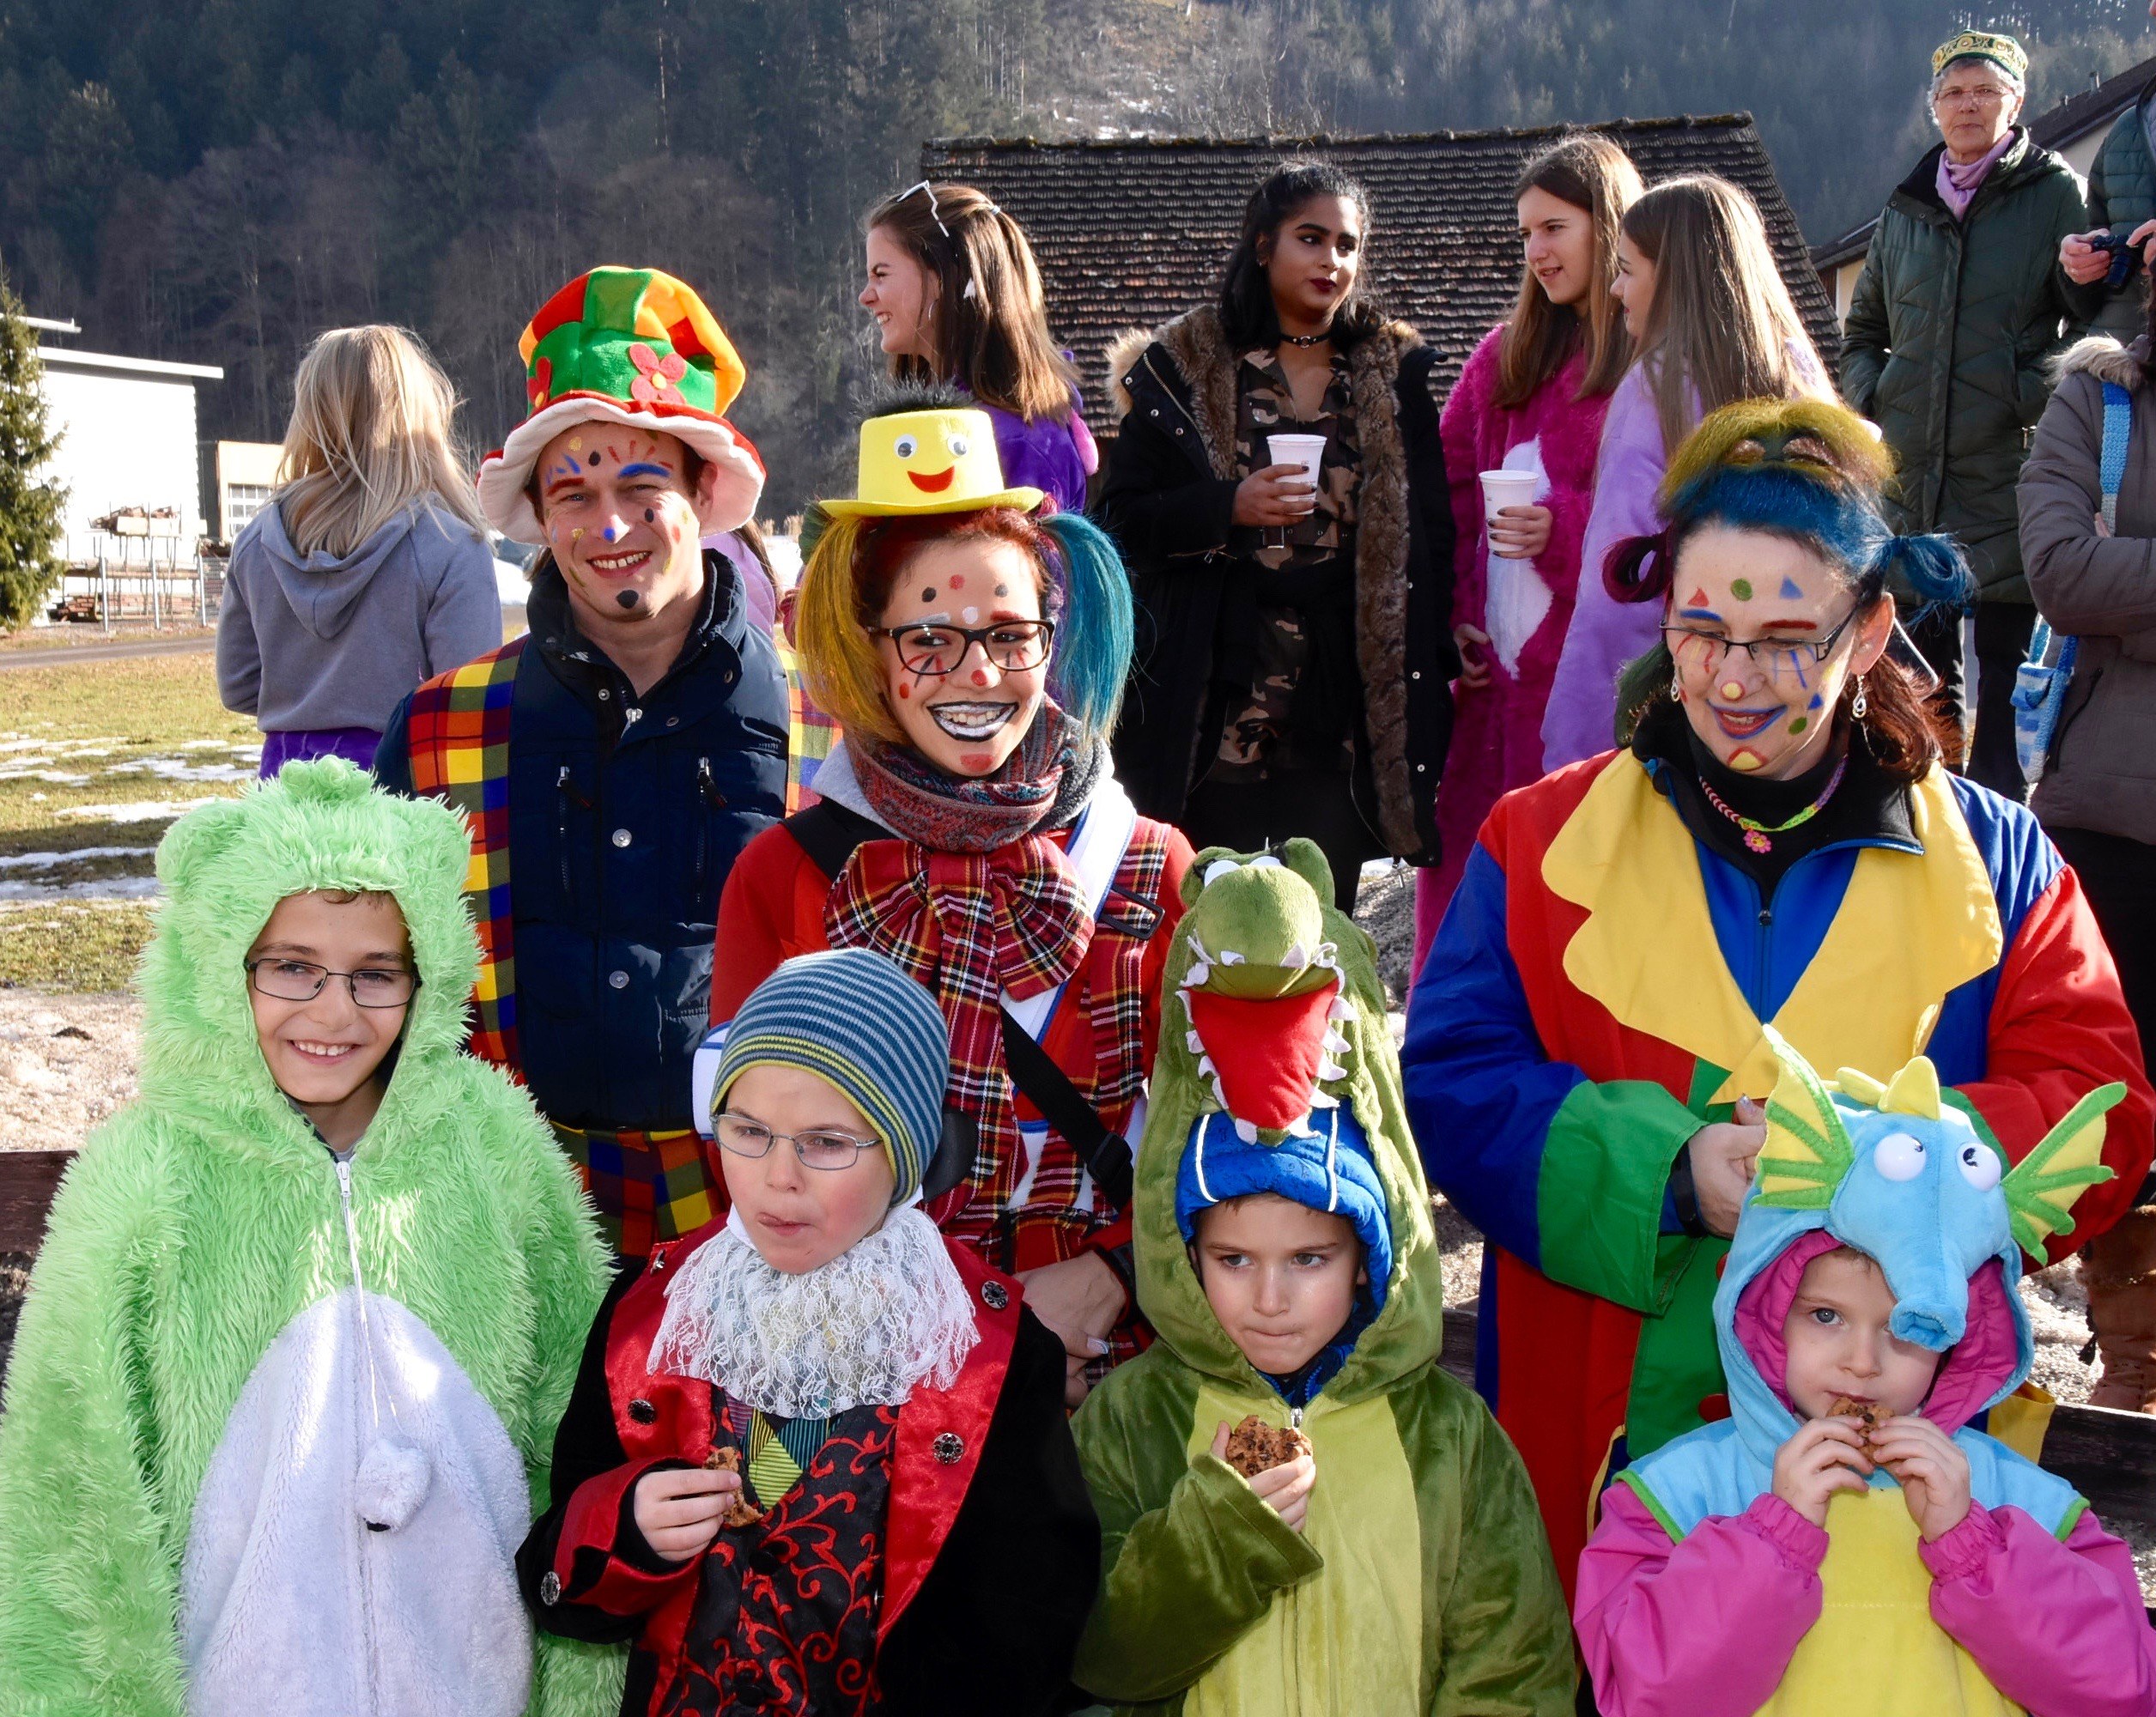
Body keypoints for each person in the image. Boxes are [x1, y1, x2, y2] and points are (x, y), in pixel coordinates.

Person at [1402, 397, 2155, 1595]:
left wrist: (1896, 1169)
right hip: (1598, 1446)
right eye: (1701, 631)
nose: (1735, 678)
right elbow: (1454, 1081)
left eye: (1786, 637)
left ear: (1871, 630)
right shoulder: (1536, 842)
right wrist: (1663, 1171)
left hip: (1895, 1475)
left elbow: (2099, 1102)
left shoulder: (1999, 861)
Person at [0, 760, 620, 1715]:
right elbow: (73, 1483)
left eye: (376, 974)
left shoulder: (495, 1145)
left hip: (476, 1685)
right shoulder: (145, 1174)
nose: (334, 1012)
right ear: (220, 964)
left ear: (428, 975)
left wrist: (581, 1680)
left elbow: (575, 1423)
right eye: (291, 966)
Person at [710, 392, 1192, 1403]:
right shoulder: (784, 875)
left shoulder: (1150, 864)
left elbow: (1221, 1136)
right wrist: (948, 1324)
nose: (978, 675)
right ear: (871, 645)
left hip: (1119, 1369)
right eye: (930, 639)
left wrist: (1116, 1275)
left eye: (1011, 636)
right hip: (874, 1371)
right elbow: (750, 1157)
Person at [519, 949, 1098, 1717]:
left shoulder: (985, 1353)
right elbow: (559, 1586)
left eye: (826, 1142)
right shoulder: (653, 1316)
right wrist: (627, 1529)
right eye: (748, 1130)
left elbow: (1031, 1620)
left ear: (905, 1153)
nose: (777, 1177)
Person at [1071, 840, 1576, 1716]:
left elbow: (1513, 1672)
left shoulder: (1451, 1437)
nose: (1269, 1299)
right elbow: (1098, 1660)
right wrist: (1218, 1534)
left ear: (1371, 1258)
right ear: (1184, 1254)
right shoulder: (1128, 1421)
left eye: (1310, 1259)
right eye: (1233, 1260)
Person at [374, 266, 785, 1259]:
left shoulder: (825, 734)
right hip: (499, 1224)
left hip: (762, 1230)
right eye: (575, 493)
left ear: (704, 493)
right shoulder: (434, 734)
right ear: (539, 513)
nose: (608, 527)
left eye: (642, 488)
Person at [1576, 1034, 2156, 1714]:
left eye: (1907, 1327)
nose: (1862, 1361)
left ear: (1958, 1335)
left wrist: (1975, 1549)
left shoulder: (2020, 1501)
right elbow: (1645, 1694)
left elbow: (2119, 1690)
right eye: (1825, 1316)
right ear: (1761, 1312)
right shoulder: (1672, 1496)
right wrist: (1770, 1541)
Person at [1101, 158, 1455, 908]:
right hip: (1216, 680)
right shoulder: (1185, 366)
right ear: (1263, 246)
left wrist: (1447, 639)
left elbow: (1432, 532)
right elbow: (1121, 520)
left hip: (1341, 688)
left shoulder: (1392, 374)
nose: (1331, 261)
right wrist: (1226, 506)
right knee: (1207, 909)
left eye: (1347, 245)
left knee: (1320, 914)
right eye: (1310, 238)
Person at [1841, 30, 2092, 798]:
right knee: (1917, 684)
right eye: (1952, 93)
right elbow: (1862, 329)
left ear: (2016, 103)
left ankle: (1998, 836)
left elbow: (2092, 319)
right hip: (1913, 477)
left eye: (1985, 90)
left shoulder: (2054, 194)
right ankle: (1927, 826)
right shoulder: (1907, 205)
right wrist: (1876, 394)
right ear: (1934, 107)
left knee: (2007, 683)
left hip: (2008, 466)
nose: (1967, 105)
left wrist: (2028, 392)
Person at [1415, 131, 1643, 961]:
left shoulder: (1651, 363)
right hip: (1490, 693)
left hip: (1599, 689)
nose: (1537, 252)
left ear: (1608, 226)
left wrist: (1563, 530)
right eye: (1525, 234)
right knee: (1473, 902)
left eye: (1554, 228)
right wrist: (1453, 621)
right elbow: (1442, 499)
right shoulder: (1498, 359)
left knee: (1580, 912)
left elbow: (1666, 518)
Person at [1541, 173, 1832, 771]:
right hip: (1793, 705)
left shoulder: (1656, 389)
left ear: (1671, 277)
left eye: (1627, 270)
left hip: (1677, 709)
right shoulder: (1801, 376)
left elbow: (1618, 587)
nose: (1615, 289)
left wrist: (1575, 740)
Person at [2019, 319, 2156, 1413]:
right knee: (2116, 1101)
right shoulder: (2099, 400)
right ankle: (2135, 1368)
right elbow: (2062, 572)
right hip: (2115, 811)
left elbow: (2106, 579)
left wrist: (2135, 594)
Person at [217, 324, 501, 775]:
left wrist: (309, 700)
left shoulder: (256, 543)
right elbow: (471, 701)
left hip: (285, 790)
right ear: (421, 412)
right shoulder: (450, 546)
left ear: (310, 413)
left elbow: (238, 686)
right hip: (404, 790)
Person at [861, 179, 1097, 514]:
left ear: (945, 277)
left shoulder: (1022, 440)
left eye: (881, 274)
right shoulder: (932, 424)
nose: (866, 296)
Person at [2058, 9, 2156, 343]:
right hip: (2121, 365)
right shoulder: (2126, 130)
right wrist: (2078, 271)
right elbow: (2084, 308)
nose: (2152, 9)